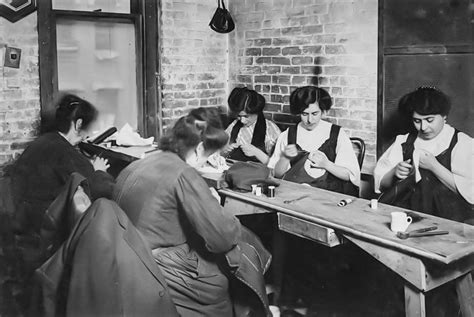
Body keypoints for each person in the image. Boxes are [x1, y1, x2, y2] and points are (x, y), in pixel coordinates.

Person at [113, 108, 243, 316]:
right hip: (158, 265)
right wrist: (216, 205)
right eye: (209, 155)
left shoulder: (141, 162)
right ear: (200, 148)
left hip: (125, 255)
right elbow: (222, 238)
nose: (205, 161)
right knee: (218, 283)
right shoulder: (184, 174)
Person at [7, 93, 114, 312]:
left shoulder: (43, 142)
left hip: (20, 228)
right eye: (86, 129)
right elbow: (97, 188)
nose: (86, 136)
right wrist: (98, 170)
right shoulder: (65, 151)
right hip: (43, 236)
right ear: (78, 124)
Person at [374, 86, 473, 223]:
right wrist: (394, 172)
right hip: (407, 215)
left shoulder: (462, 143)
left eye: (430, 120)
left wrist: (434, 167)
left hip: (450, 220)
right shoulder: (404, 141)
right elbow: (380, 183)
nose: (423, 127)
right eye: (417, 121)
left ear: (444, 116)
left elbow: (470, 193)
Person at [268, 86, 360, 196]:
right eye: (304, 114)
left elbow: (349, 176)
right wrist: (284, 158)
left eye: (315, 113)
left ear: (323, 111)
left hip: (330, 197)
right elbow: (276, 174)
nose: (310, 120)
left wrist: (327, 164)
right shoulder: (288, 135)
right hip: (296, 195)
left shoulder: (337, 134)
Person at [222, 87, 281, 164]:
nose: (242, 121)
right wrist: (225, 150)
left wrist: (257, 153)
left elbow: (278, 167)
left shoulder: (270, 129)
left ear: (256, 112)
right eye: (239, 116)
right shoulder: (234, 125)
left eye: (246, 116)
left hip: (258, 173)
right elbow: (220, 152)